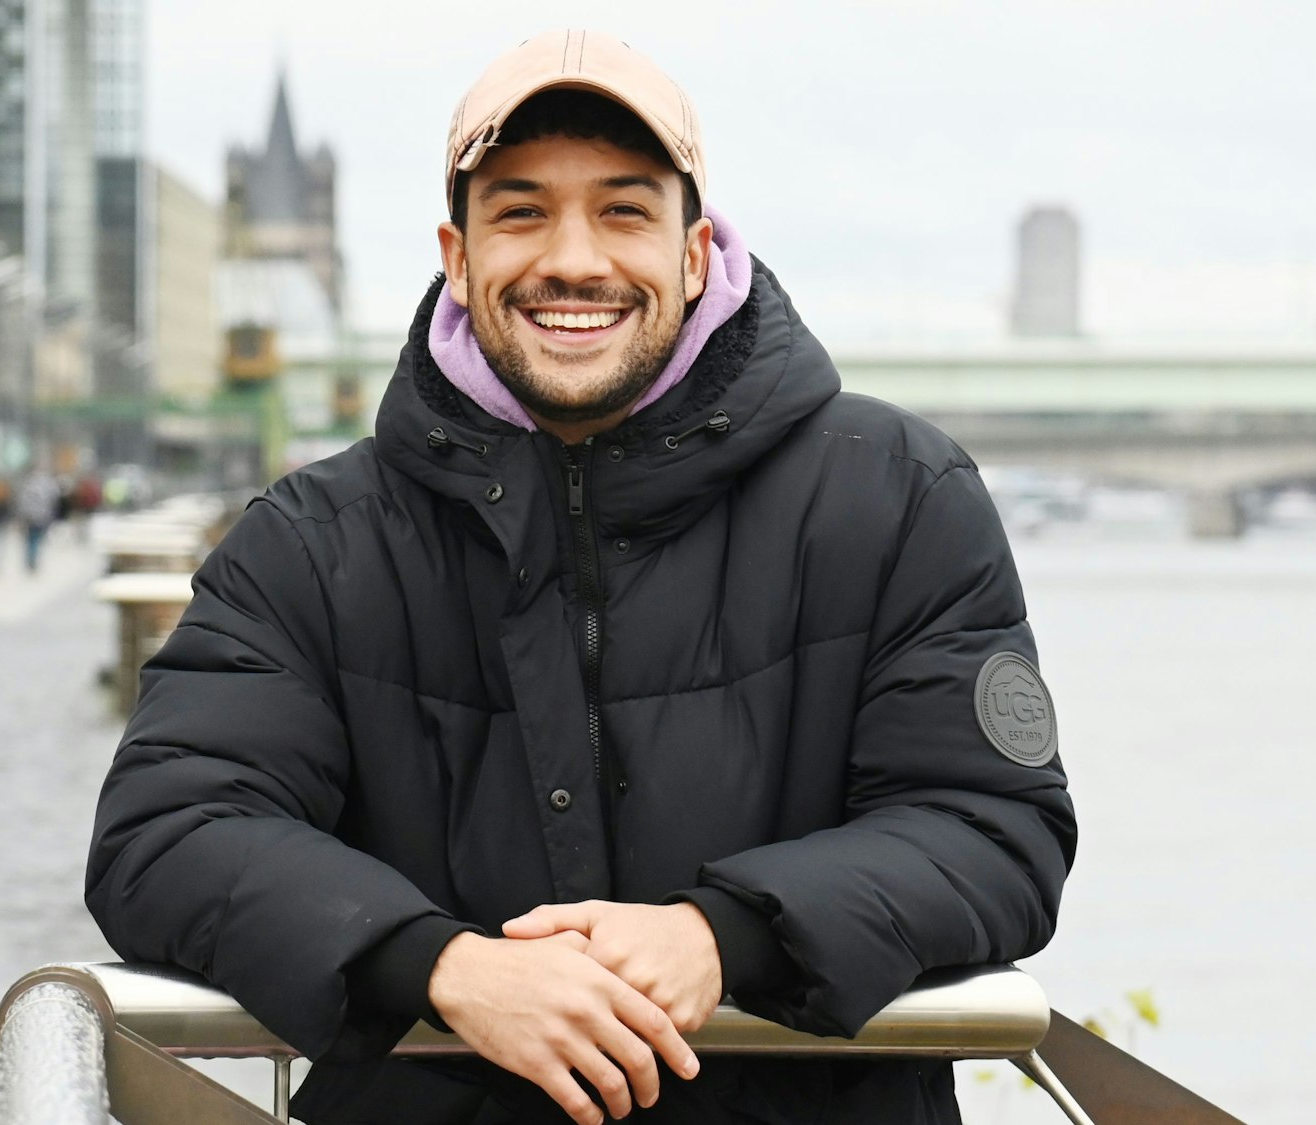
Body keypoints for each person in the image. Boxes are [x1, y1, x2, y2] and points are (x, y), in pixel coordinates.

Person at [87, 30, 1074, 1125]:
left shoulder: (897, 498)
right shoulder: (309, 541)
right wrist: (440, 968)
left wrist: (720, 936)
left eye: (621, 209)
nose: (572, 259)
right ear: (455, 256)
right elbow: (165, 837)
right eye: (518, 211)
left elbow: (993, 832)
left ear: (694, 251)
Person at [15, 470, 59, 574]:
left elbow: (21, 503)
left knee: (30, 540)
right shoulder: (46, 488)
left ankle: (30, 560)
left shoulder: (26, 487)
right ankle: (33, 560)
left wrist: (21, 515)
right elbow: (52, 502)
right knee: (36, 540)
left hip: (29, 517)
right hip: (40, 517)